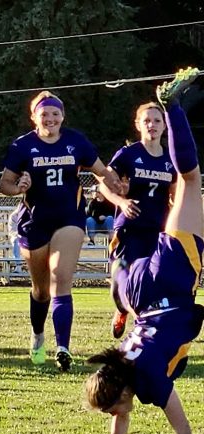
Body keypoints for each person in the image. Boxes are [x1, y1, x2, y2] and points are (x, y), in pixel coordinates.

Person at [85, 67, 202, 434]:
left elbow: (184, 431)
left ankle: (172, 103)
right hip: (139, 292)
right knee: (122, 278)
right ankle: (118, 298)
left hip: (168, 282)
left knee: (190, 179)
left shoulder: (148, 380)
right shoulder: (121, 365)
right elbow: (121, 417)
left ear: (120, 394)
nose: (114, 415)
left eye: (111, 408)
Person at [0, 90, 121, 371]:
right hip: (34, 222)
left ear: (63, 116)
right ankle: (39, 335)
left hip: (69, 218)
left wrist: (117, 187)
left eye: (55, 113)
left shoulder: (75, 141)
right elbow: (5, 184)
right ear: (34, 117)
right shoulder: (22, 146)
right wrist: (18, 187)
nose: (50, 118)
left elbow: (102, 171)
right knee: (41, 290)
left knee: (61, 277)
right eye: (44, 113)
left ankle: (63, 348)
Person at [99, 102, 176, 338]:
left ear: (164, 126)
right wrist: (121, 202)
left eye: (157, 121)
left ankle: (141, 329)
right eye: (147, 121)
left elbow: (175, 194)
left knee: (150, 283)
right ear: (138, 125)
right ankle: (121, 308)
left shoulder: (171, 159)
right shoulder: (129, 154)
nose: (152, 125)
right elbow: (104, 183)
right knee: (121, 278)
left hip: (157, 230)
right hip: (129, 228)